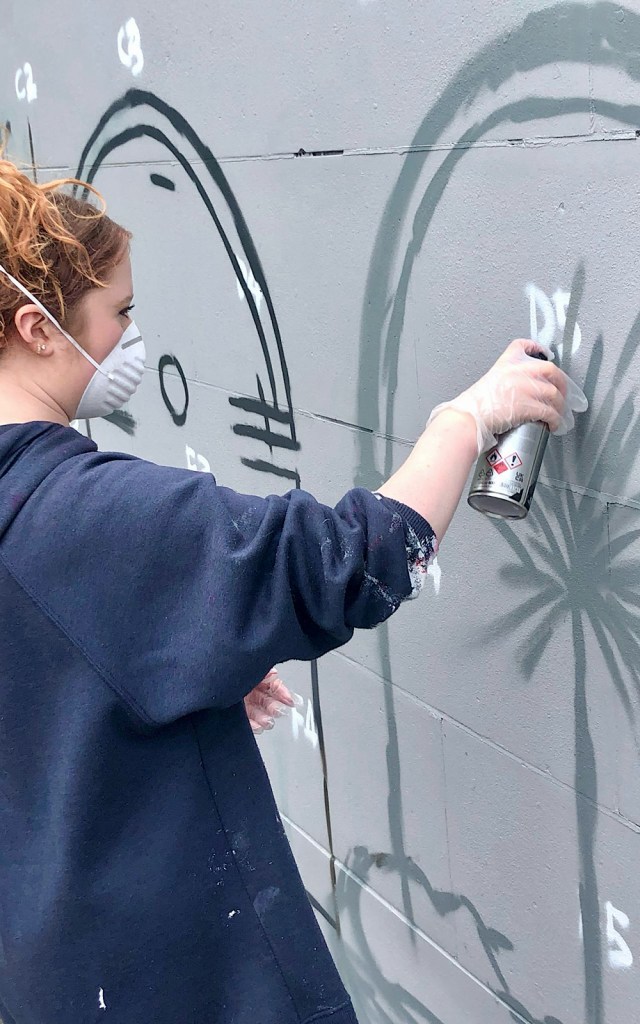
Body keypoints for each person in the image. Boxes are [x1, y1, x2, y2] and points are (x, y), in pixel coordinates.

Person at [0, 159, 587, 1024]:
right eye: (119, 312)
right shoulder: (85, 517)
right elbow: (346, 561)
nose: (132, 335)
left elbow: (45, 675)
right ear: (38, 327)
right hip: (169, 984)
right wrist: (463, 420)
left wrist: (162, 662)